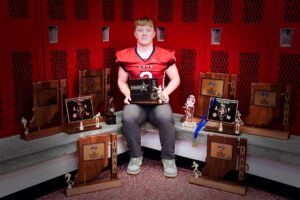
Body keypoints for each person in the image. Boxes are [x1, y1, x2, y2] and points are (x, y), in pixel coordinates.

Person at [116, 17, 180, 177]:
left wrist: (165, 93)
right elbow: (121, 81)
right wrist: (127, 94)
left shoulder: (165, 55)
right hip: (137, 102)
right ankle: (135, 156)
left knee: (166, 118)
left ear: (153, 33)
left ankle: (168, 159)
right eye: (140, 30)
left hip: (158, 101)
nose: (144, 33)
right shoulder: (126, 55)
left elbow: (176, 78)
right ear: (135, 33)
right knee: (128, 116)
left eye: (147, 30)